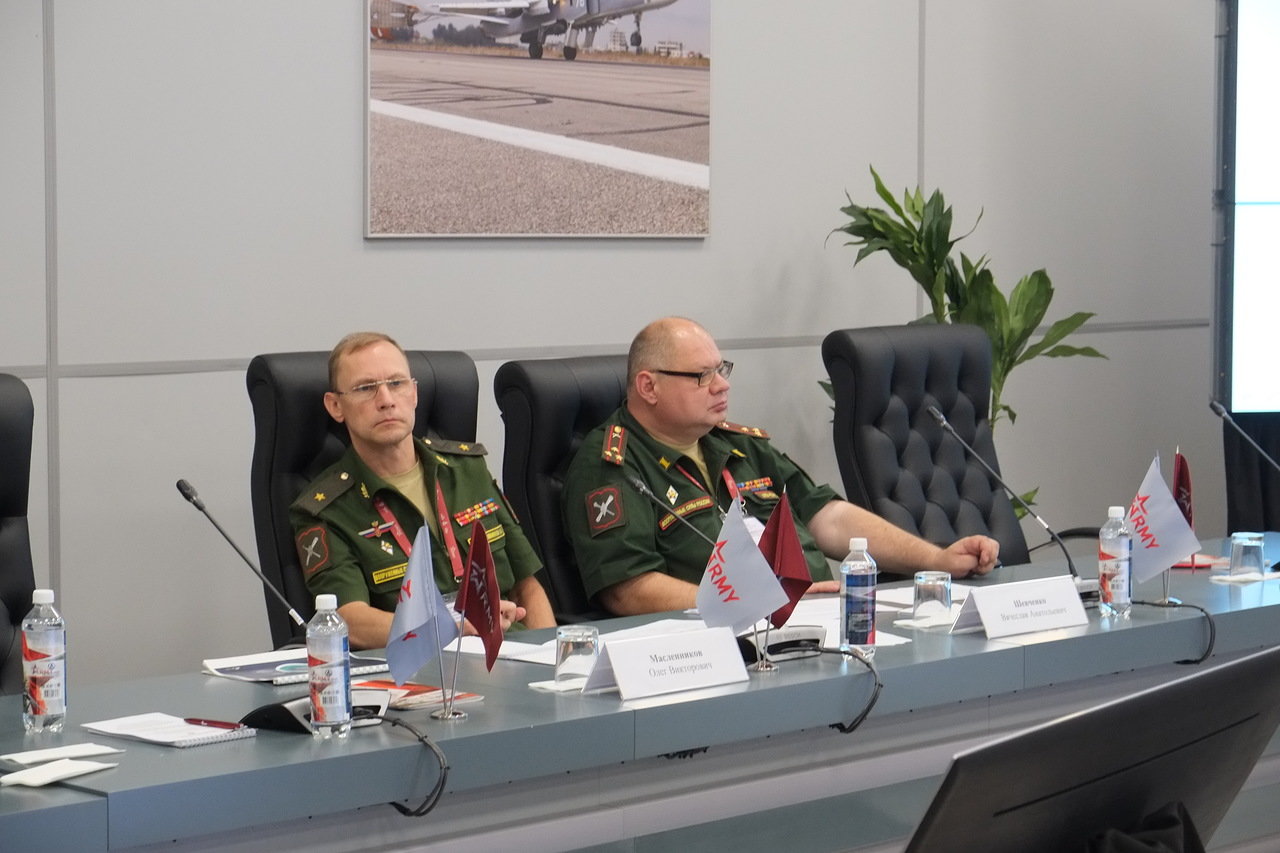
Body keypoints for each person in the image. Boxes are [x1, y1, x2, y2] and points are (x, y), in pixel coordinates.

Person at [562, 317, 1000, 616]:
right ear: (648, 386)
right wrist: (752, 606)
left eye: (721, 369)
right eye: (702, 376)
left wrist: (936, 559)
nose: (722, 385)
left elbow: (828, 517)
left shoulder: (736, 444)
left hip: (816, 621)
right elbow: (627, 589)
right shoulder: (613, 465)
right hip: (720, 642)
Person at [290, 332, 555, 648]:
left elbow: (527, 585)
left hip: (511, 653)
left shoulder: (468, 470)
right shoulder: (325, 510)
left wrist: (549, 654)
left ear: (414, 393)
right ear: (336, 406)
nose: (386, 400)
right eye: (365, 388)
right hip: (420, 664)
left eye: (397, 383)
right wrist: (447, 627)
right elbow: (350, 620)